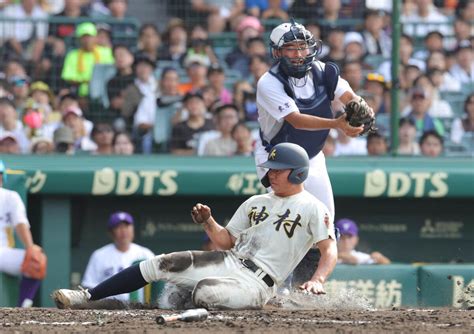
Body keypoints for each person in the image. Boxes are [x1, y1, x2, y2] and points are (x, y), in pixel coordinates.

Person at [52, 143, 338, 309]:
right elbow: (225, 241)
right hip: (229, 261)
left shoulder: (313, 206)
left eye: (279, 169)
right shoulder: (256, 201)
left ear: (298, 172)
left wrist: (318, 280)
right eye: (271, 168)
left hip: (258, 283)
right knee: (159, 263)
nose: (271, 173)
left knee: (203, 292)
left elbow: (329, 250)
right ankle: (87, 296)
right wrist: (208, 222)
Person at [255, 20, 367, 220]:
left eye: (302, 47)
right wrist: (337, 124)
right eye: (290, 48)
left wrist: (359, 107)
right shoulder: (268, 82)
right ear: (277, 52)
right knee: (287, 223)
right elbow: (296, 120)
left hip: (313, 156)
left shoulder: (322, 70)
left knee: (325, 222)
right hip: (277, 157)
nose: (299, 54)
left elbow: (348, 95)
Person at [0, 160, 47, 307]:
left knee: (36, 260)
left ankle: (23, 307)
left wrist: (30, 247)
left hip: (2, 252)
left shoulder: (10, 197)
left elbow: (20, 223)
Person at [81, 211, 154, 303]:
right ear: (111, 232)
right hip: (107, 307)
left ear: (133, 229)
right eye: (118, 227)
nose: (123, 231)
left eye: (127, 226)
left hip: (139, 307)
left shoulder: (145, 254)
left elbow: (157, 284)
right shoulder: (99, 255)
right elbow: (88, 285)